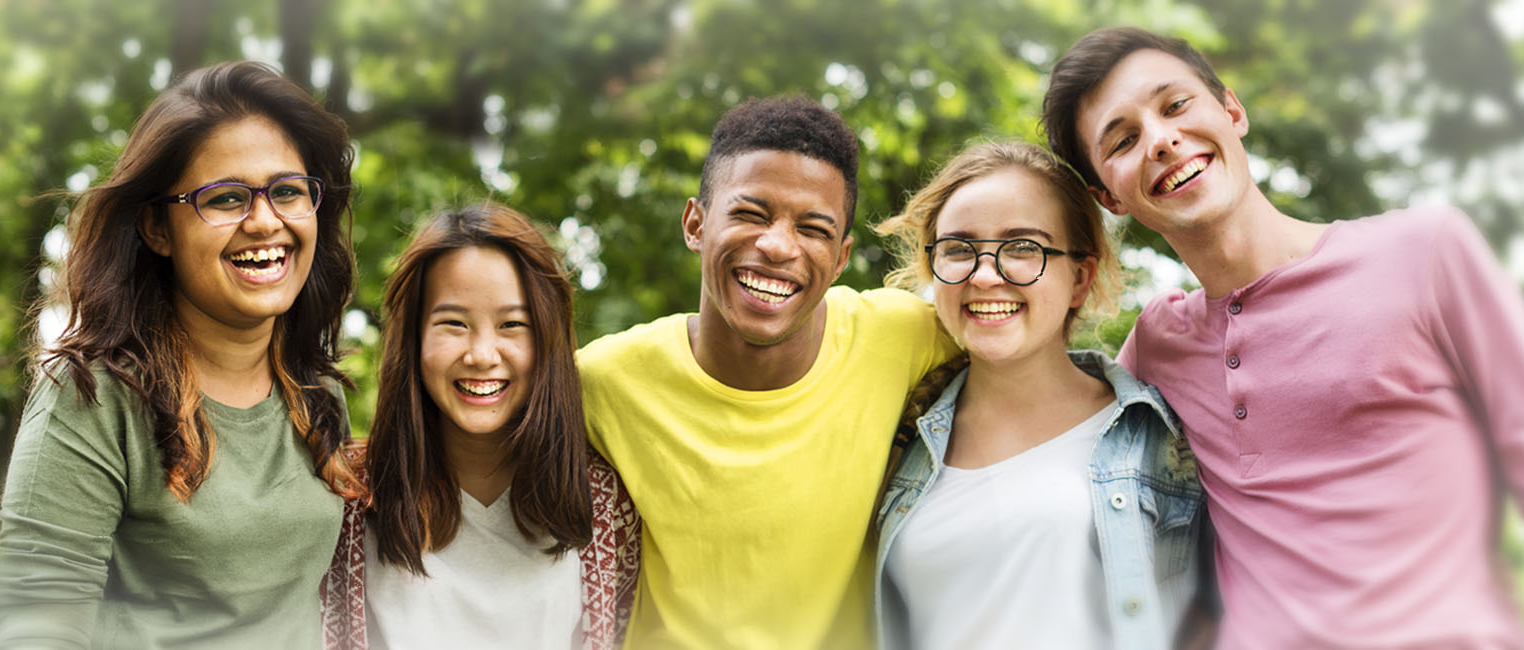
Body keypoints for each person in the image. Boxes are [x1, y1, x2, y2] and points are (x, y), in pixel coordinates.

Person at [1042, 26, 1524, 648]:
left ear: (1232, 111)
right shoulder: (1157, 347)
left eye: (1176, 105)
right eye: (1124, 140)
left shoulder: (1425, 252)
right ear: (1108, 196)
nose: (1161, 140)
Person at [0, 61, 364, 648]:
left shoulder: (316, 392)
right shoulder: (92, 395)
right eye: (226, 198)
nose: (266, 221)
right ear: (158, 230)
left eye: (288, 191)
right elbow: (34, 627)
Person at [577, 96, 961, 649]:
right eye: (750, 214)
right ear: (695, 223)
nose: (778, 246)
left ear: (843, 255)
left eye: (813, 229)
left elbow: (1023, 342)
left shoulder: (903, 334)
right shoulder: (604, 379)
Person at [870, 140, 1202, 650]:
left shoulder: (1156, 433)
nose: (984, 276)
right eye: (959, 248)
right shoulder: (897, 439)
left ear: (1079, 277)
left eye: (1023, 248)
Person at [343, 203, 638, 650]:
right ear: (414, 339)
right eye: (454, 324)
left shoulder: (605, 502)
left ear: (547, 340)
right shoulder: (348, 495)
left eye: (512, 325)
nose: (482, 354)